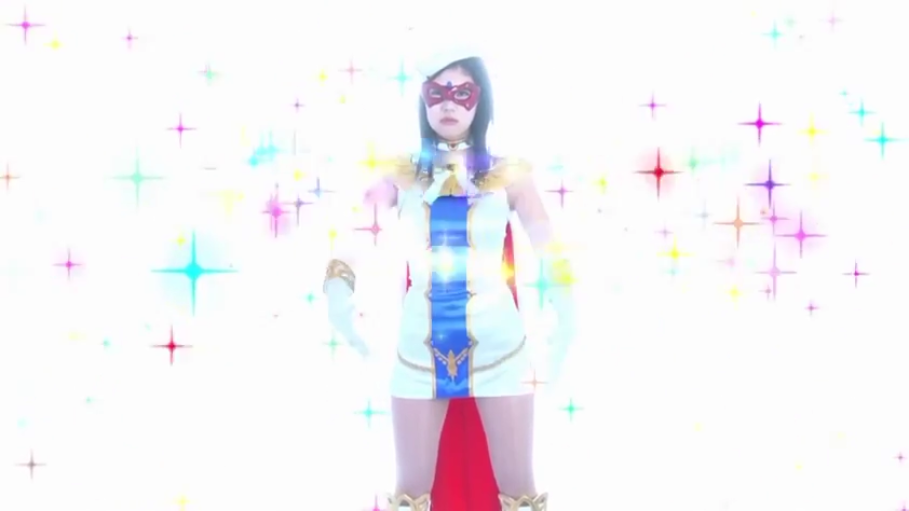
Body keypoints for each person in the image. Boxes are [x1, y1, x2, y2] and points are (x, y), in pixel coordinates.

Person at [323, 45, 576, 511]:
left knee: (521, 495)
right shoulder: (400, 173)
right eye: (437, 93)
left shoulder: (509, 174)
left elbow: (549, 249)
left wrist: (568, 311)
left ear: (481, 100)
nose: (448, 105)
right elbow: (356, 234)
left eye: (462, 93)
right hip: (419, 347)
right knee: (409, 496)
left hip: (501, 346)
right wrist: (338, 287)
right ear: (422, 99)